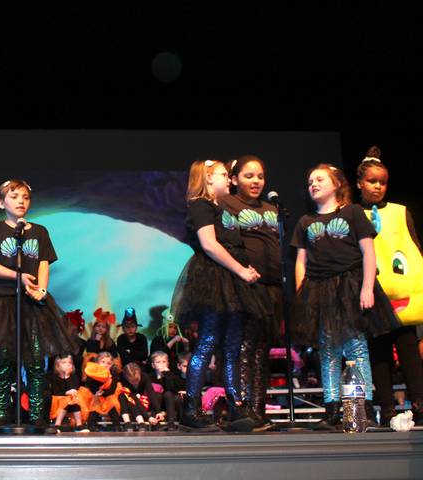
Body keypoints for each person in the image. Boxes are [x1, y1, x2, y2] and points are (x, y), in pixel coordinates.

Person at [291, 163, 399, 430]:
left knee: (356, 347)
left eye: (319, 179)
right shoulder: (306, 221)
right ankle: (332, 409)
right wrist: (301, 294)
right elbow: (300, 262)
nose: (313, 184)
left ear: (337, 184)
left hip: (349, 286)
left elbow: (368, 252)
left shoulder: (352, 213)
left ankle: (361, 408)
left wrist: (366, 287)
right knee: (328, 350)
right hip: (319, 290)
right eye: (310, 182)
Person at [0, 179, 77, 428]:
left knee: (36, 363)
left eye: (25, 197)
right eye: (14, 196)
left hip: (32, 305)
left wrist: (42, 289)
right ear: (0, 202)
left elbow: (44, 263)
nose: (20, 201)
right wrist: (17, 277)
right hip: (3, 303)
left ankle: (38, 415)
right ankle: (1, 414)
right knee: (4, 362)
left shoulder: (38, 231)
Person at [171, 159, 268, 431]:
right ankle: (191, 407)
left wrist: (244, 268)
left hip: (232, 278)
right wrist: (240, 270)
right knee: (209, 341)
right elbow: (210, 244)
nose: (229, 179)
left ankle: (235, 406)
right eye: (224, 174)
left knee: (232, 346)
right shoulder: (200, 205)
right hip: (217, 278)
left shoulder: (221, 208)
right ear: (208, 178)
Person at [356, 147, 423, 425]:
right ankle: (387, 408)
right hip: (372, 295)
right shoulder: (351, 213)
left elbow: (413, 249)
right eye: (372, 181)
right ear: (359, 183)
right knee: (379, 353)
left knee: (409, 349)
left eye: (382, 182)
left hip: (400, 297)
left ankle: (419, 405)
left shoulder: (400, 212)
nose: (378, 186)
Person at [220, 155, 283, 431]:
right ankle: (242, 409)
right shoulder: (227, 204)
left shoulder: (272, 208)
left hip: (271, 287)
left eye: (260, 176)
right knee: (244, 346)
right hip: (245, 284)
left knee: (262, 349)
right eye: (249, 176)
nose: (256, 181)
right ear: (234, 180)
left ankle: (259, 409)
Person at [48, 354, 86, 432]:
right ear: (58, 366)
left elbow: (74, 389)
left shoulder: (74, 377)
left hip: (72, 401)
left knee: (72, 400)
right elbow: (56, 392)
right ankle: (57, 425)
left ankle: (79, 425)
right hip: (58, 399)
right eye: (64, 362)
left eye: (70, 362)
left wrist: (67, 376)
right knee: (68, 399)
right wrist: (66, 392)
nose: (67, 364)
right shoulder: (55, 378)